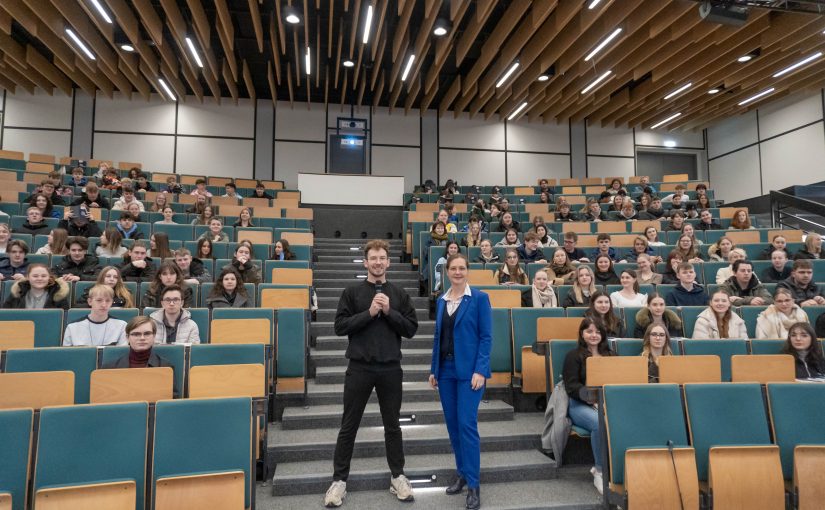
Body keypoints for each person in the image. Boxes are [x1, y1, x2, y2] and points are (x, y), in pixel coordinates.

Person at [325, 240, 419, 508]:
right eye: (373, 258)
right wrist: (370, 312)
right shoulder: (352, 292)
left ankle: (398, 476)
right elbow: (340, 327)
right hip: (359, 368)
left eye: (382, 258)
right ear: (365, 262)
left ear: (388, 262)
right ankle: (339, 481)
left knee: (393, 426)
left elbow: (411, 329)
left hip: (390, 368)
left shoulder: (399, 295)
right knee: (349, 426)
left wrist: (389, 312)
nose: (378, 262)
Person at [427, 252, 490, 510]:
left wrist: (480, 370)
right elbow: (438, 337)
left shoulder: (479, 299)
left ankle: (474, 484)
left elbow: (486, 338)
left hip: (470, 373)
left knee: (466, 425)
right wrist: (434, 369)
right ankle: (462, 474)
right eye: (453, 268)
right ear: (447, 271)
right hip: (446, 371)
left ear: (467, 271)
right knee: (453, 428)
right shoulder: (441, 301)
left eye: (462, 268)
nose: (457, 272)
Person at [562, 319, 614, 494]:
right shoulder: (573, 356)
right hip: (579, 405)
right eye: (589, 331)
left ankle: (619, 470)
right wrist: (593, 400)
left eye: (598, 332)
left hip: (608, 403)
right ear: (582, 334)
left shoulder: (611, 356)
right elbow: (571, 387)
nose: (594, 335)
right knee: (600, 424)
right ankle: (599, 471)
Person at [63, 285, 128, 346]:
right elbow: (67, 355)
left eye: (108, 301)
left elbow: (121, 355)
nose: (104, 305)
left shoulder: (122, 326)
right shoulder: (72, 327)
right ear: (90, 301)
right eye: (99, 300)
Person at [2, 264, 70, 309]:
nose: (40, 279)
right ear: (28, 277)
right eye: (35, 276)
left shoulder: (58, 295)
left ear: (49, 277)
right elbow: (5, 315)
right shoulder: (17, 294)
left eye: (44, 276)